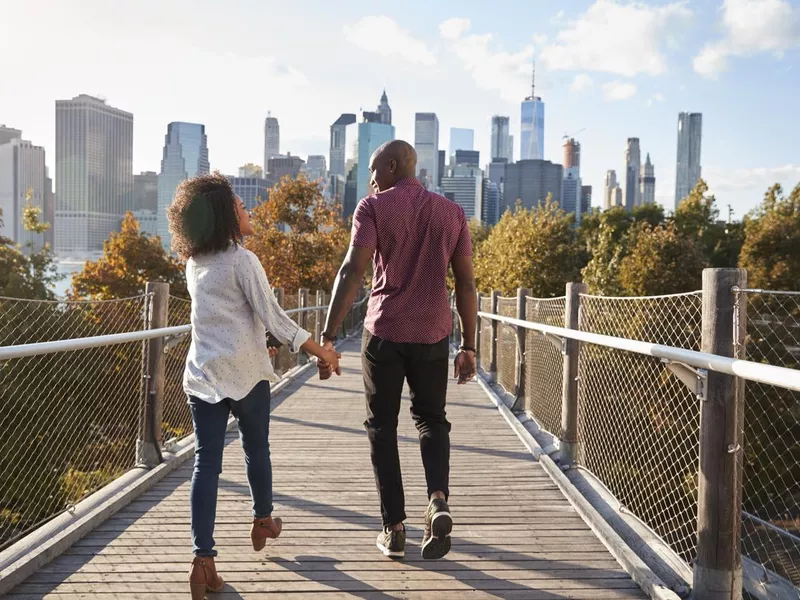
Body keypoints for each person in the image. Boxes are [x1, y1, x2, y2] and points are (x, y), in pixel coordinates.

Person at [166, 173, 341, 599]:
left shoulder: (195, 264)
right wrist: (322, 352)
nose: (249, 211)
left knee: (206, 464)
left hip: (203, 376)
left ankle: (202, 560)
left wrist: (261, 338)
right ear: (226, 215)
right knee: (255, 449)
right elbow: (275, 316)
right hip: (245, 376)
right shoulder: (242, 260)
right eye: (242, 207)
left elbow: (226, 317)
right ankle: (263, 519)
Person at [318, 140, 478, 560]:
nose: (370, 180)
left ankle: (394, 528)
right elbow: (466, 283)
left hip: (385, 332)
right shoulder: (453, 212)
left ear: (392, 166)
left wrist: (329, 335)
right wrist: (469, 344)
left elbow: (353, 270)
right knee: (431, 420)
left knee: (382, 427)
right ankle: (438, 499)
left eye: (373, 170)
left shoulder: (372, 208)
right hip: (433, 333)